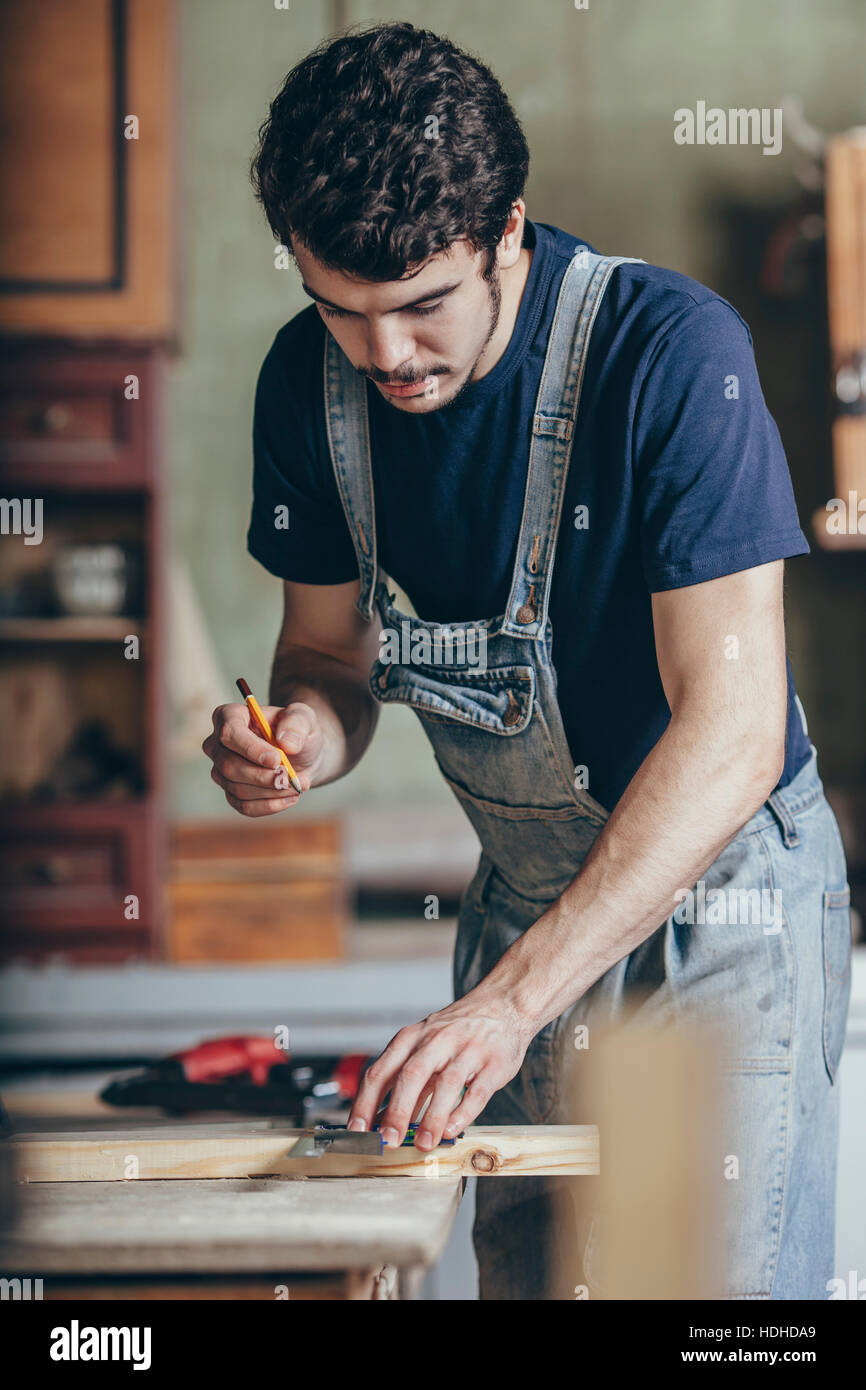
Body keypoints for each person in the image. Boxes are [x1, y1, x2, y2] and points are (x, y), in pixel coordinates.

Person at [202, 22, 852, 1299]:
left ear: (506, 228)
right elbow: (328, 654)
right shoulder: (308, 387)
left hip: (713, 909)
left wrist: (504, 1005)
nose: (384, 357)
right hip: (523, 901)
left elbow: (728, 734)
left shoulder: (669, 356)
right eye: (341, 310)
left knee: (702, 1312)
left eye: (421, 307)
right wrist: (294, 741)